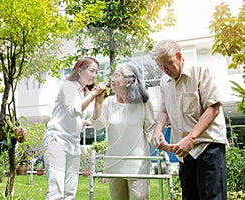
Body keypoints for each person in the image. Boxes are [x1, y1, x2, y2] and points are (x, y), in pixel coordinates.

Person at [150, 39, 228, 200]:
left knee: (212, 197)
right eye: (160, 66)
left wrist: (191, 138)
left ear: (179, 56)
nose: (165, 70)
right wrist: (158, 130)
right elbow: (164, 109)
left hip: (208, 146)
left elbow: (213, 108)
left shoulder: (201, 72)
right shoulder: (164, 81)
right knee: (189, 196)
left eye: (168, 64)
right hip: (184, 151)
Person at [43, 57, 106, 200]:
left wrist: (97, 101)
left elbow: (87, 117)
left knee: (70, 192)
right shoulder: (68, 86)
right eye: (91, 71)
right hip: (56, 140)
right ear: (79, 71)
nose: (94, 75)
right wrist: (93, 94)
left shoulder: (83, 93)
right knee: (56, 191)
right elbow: (74, 110)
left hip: (73, 144)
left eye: (96, 72)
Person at [91, 62, 155, 200]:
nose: (112, 78)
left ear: (129, 81)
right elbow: (97, 125)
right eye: (112, 74)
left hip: (138, 164)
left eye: (117, 75)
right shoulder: (108, 102)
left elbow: (150, 130)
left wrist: (160, 144)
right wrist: (97, 102)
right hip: (115, 163)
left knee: (140, 197)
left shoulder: (144, 102)